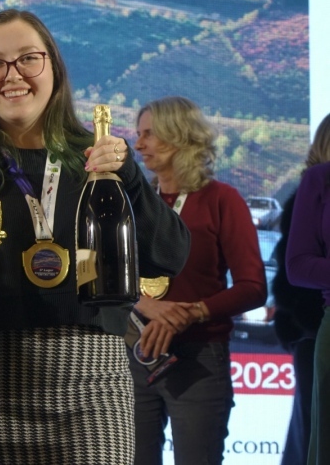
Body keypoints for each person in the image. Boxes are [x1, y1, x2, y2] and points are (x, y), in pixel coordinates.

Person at [0, 9, 191, 464]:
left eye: (28, 58)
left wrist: (128, 176)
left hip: (93, 385)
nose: (13, 75)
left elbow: (169, 255)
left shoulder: (99, 159)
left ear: (54, 67)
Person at [130, 96, 266, 464]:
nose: (138, 145)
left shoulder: (222, 199)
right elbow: (106, 278)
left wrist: (193, 313)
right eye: (138, 135)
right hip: (135, 354)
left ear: (179, 135)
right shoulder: (134, 202)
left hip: (199, 358)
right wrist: (146, 305)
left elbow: (253, 286)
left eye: (149, 134)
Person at [274, 113, 330, 465]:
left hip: (309, 329)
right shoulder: (317, 184)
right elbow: (294, 268)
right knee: (312, 436)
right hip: (315, 330)